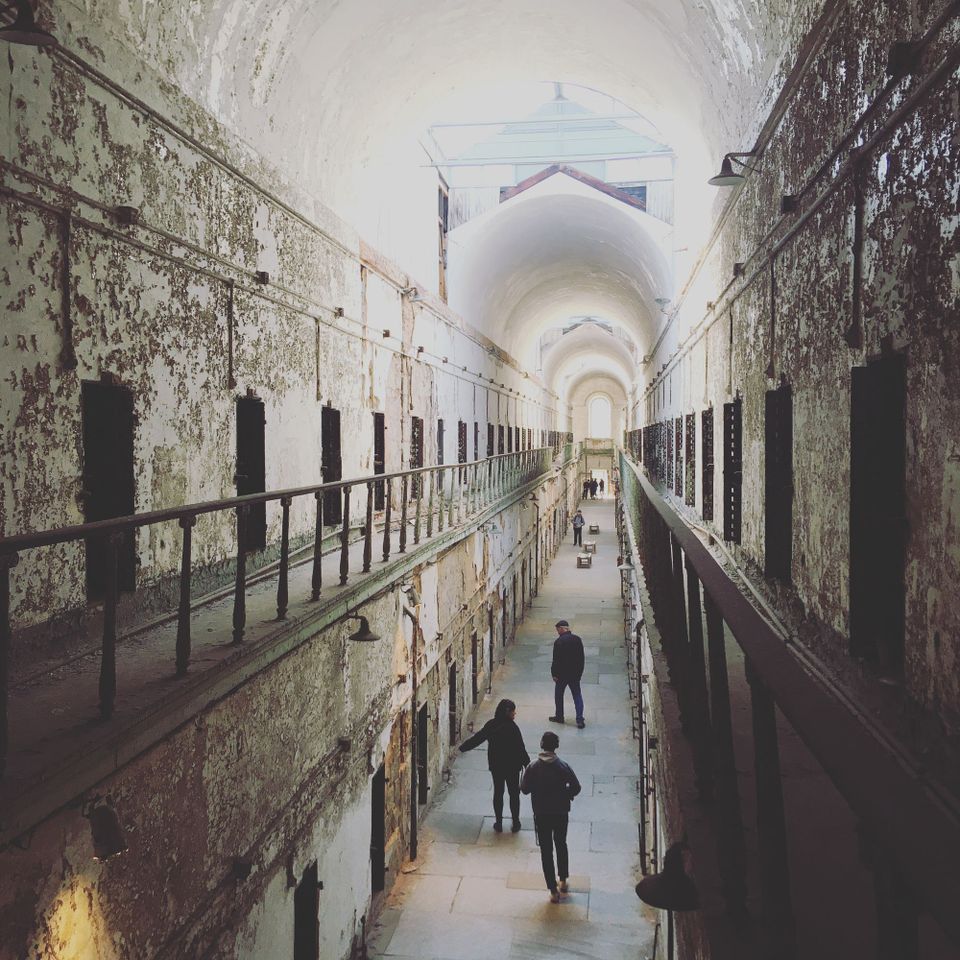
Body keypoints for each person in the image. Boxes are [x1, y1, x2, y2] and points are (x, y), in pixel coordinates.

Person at [520, 730, 581, 902]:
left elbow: (524, 789)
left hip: (541, 813)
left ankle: (553, 889)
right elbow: (576, 787)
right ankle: (563, 879)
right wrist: (566, 794)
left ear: (541, 745)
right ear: (556, 746)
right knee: (561, 844)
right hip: (560, 812)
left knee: (546, 850)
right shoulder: (563, 766)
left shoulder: (533, 767)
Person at [459, 698, 530, 832]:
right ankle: (515, 822)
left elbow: (478, 738)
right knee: (514, 794)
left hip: (497, 765)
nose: (515, 714)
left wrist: (463, 747)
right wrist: (528, 764)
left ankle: (499, 822)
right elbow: (520, 748)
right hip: (512, 767)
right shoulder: (513, 728)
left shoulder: (492, 725)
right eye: (513, 712)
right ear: (508, 712)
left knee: (498, 792)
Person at [548, 620, 585, 728]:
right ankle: (580, 719)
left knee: (559, 695)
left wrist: (554, 674)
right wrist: (579, 673)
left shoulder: (559, 642)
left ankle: (559, 716)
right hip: (574, 674)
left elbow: (556, 660)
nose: (557, 632)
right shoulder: (577, 640)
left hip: (562, 675)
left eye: (558, 630)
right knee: (577, 695)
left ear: (562, 628)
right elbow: (581, 658)